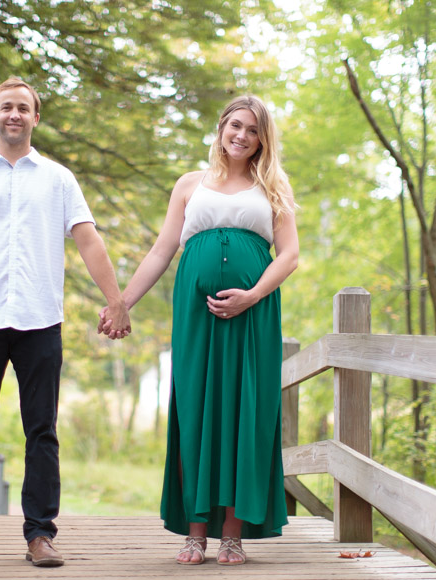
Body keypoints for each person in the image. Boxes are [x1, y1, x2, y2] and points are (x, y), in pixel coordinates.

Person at [0, 77, 130, 568]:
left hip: (40, 321)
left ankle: (40, 535)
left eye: (23, 108)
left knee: (42, 431)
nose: (14, 114)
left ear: (36, 118)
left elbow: (87, 240)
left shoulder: (58, 179)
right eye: (6, 108)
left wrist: (116, 301)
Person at [101, 95, 298, 565]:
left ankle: (232, 534)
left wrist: (252, 295)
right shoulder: (190, 184)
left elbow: (289, 254)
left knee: (243, 413)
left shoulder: (273, 186)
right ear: (221, 127)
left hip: (253, 317)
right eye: (235, 125)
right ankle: (194, 533)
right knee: (195, 410)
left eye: (252, 130)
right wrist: (122, 302)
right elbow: (161, 251)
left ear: (262, 139)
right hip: (195, 315)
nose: (242, 136)